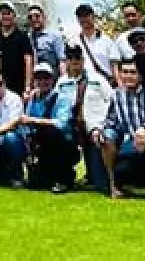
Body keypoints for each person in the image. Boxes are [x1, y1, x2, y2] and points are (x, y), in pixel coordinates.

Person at [94, 59, 145, 201]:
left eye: (133, 72)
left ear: (141, 75)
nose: (128, 76)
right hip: (132, 145)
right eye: (125, 72)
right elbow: (111, 120)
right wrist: (99, 130)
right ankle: (113, 184)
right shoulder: (116, 95)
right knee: (106, 139)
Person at [57, 45, 114, 192]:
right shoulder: (61, 83)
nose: (74, 61)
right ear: (66, 61)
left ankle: (102, 178)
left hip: (94, 127)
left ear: (83, 60)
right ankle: (65, 180)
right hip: (71, 127)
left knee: (99, 184)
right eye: (70, 58)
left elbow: (111, 101)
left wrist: (101, 125)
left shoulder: (97, 79)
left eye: (77, 57)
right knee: (59, 137)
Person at [21, 62, 79, 192]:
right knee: (36, 183)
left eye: (46, 78)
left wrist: (34, 121)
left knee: (52, 133)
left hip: (63, 144)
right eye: (39, 78)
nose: (42, 82)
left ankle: (63, 179)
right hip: (41, 144)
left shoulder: (62, 98)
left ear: (52, 79)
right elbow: (26, 123)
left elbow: (61, 123)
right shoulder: (33, 98)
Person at [69, 4, 120, 85]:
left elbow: (115, 67)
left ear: (93, 16)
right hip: (82, 85)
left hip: (105, 85)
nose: (83, 19)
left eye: (86, 15)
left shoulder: (107, 40)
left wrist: (120, 87)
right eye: (80, 16)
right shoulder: (73, 42)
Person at [0, 2, 34, 97]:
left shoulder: (22, 37)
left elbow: (28, 61)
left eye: (8, 13)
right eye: (3, 14)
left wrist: (27, 87)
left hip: (19, 86)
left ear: (14, 16)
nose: (5, 16)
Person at [26, 5, 67, 79]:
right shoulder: (27, 38)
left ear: (44, 18)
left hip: (52, 80)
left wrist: (63, 81)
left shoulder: (54, 36)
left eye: (37, 16)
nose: (34, 19)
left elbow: (62, 61)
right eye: (30, 17)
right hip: (35, 82)